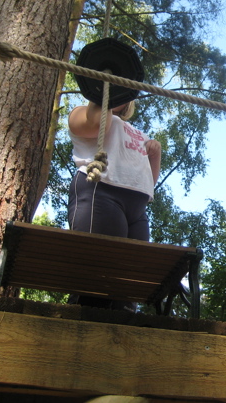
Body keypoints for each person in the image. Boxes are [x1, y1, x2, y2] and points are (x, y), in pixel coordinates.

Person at [67, 99, 161, 310]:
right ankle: (80, 330)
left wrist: (156, 154)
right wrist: (104, 95)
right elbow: (96, 125)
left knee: (129, 287)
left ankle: (121, 334)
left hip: (137, 207)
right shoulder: (82, 112)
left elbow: (147, 182)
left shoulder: (137, 132)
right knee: (97, 274)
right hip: (101, 191)